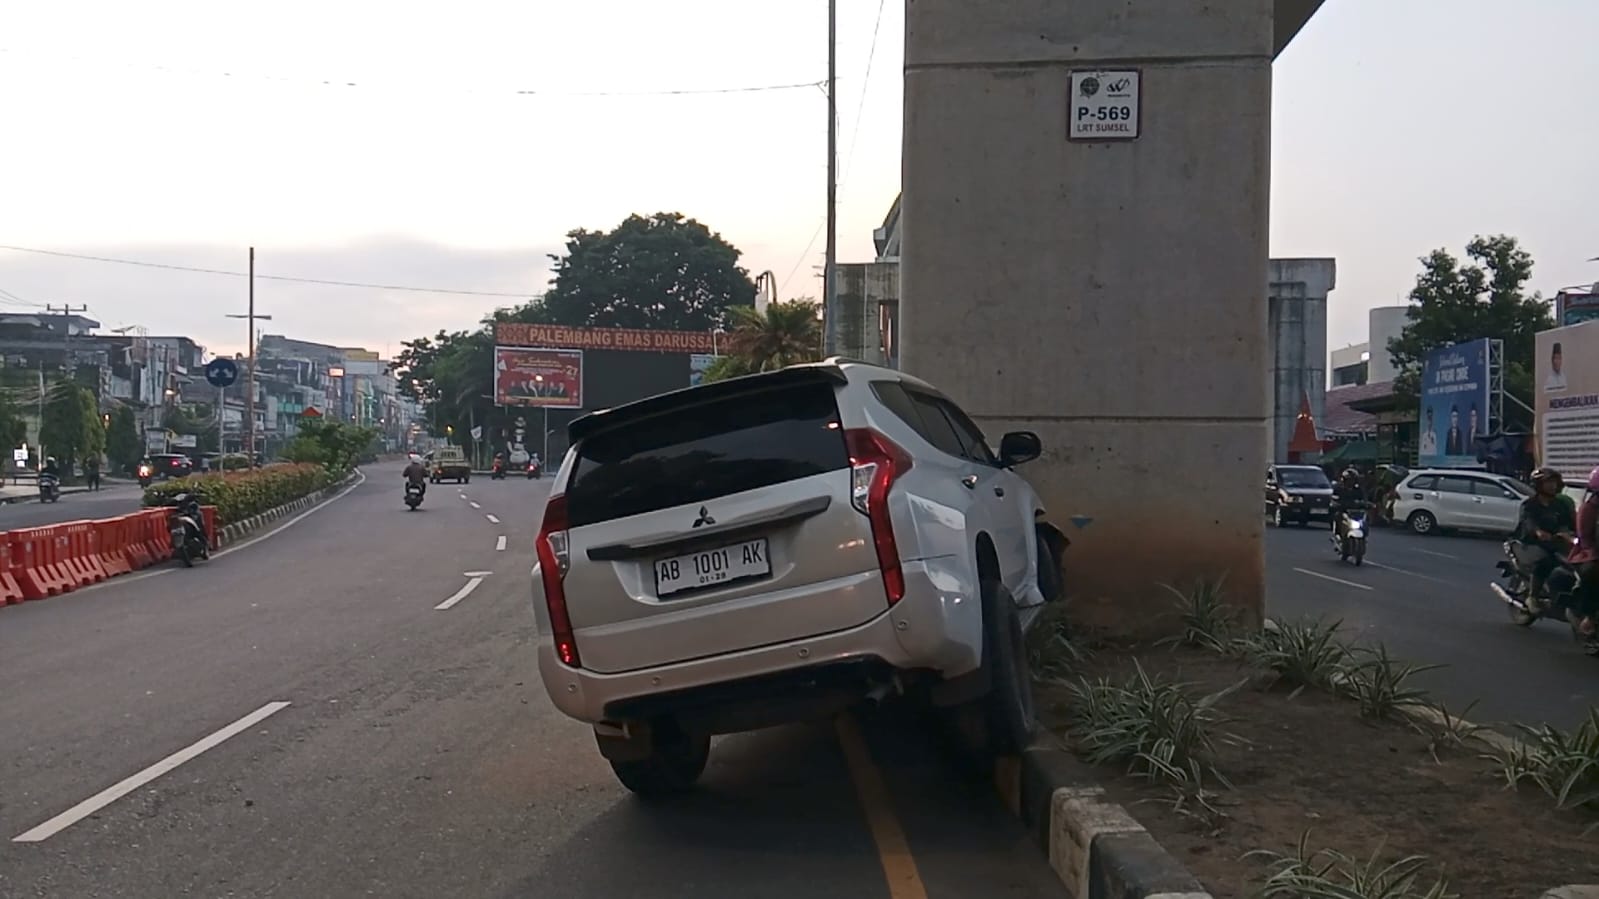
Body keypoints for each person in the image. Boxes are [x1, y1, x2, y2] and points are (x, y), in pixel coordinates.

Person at [1514, 468, 1576, 610]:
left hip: (1557, 543)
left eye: (1554, 482)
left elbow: (1572, 523)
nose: (1552, 486)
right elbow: (1528, 521)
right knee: (1546, 562)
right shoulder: (1530, 504)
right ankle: (1533, 596)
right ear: (1538, 485)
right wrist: (1538, 531)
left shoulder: (1560, 505)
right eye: (1548, 482)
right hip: (1532, 543)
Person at [1566, 467, 1599, 635]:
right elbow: (1585, 538)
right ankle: (1588, 616)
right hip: (1588, 554)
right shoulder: (1588, 510)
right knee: (1592, 573)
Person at [1333, 467, 1365, 535]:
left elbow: (1363, 499)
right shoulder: (1339, 489)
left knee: (1364, 521)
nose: (1351, 482)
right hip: (1344, 511)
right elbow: (1334, 498)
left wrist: (1367, 504)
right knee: (1337, 516)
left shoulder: (1358, 490)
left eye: (1353, 480)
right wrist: (1336, 503)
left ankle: (1364, 535)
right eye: (1349, 480)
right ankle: (1338, 535)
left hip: (1355, 512)